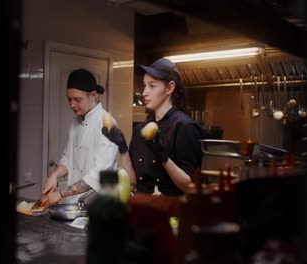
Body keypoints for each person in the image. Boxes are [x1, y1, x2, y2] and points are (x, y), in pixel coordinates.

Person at [102, 58, 203, 196]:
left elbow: (191, 188)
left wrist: (163, 157)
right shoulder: (141, 129)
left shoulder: (184, 127)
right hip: (142, 208)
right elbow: (133, 183)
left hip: (171, 212)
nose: (144, 92)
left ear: (170, 88)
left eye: (152, 86)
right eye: (144, 85)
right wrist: (123, 149)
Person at [41, 68, 119, 206]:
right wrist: (54, 175)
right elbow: (68, 158)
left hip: (99, 206)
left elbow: (99, 175)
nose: (72, 105)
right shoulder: (75, 122)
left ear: (93, 95)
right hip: (74, 204)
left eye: (77, 99)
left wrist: (61, 194)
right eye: (69, 99)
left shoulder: (107, 123)